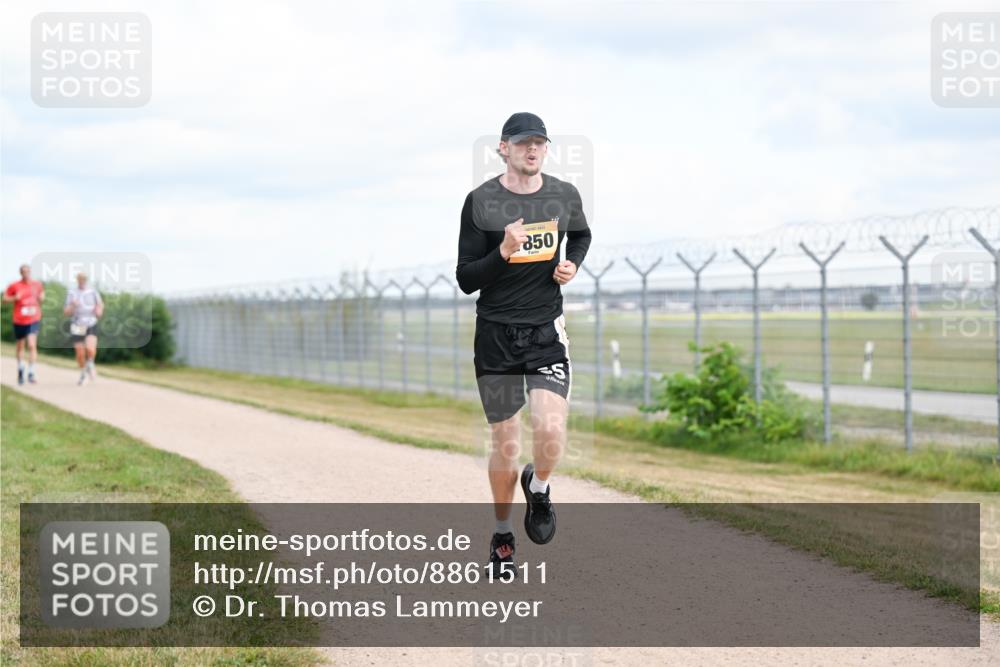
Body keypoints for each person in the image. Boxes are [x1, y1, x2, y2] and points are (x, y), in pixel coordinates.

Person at [456, 112, 591, 578]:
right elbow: (465, 278)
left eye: (539, 143)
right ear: (503, 148)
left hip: (544, 332)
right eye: (523, 143)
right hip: (495, 335)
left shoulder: (563, 195)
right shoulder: (480, 202)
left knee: (551, 432)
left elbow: (582, 234)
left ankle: (541, 484)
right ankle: (502, 534)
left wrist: (571, 264)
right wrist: (503, 253)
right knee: (506, 444)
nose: (532, 150)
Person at [4, 264, 45, 385]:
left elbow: (42, 296)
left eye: (27, 271)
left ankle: (31, 372)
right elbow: (5, 299)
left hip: (33, 319)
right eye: (23, 271)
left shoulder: (37, 285)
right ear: (20, 273)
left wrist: (41, 298)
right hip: (19, 319)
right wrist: (14, 298)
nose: (26, 273)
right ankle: (21, 369)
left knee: (32, 345)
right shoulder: (14, 285)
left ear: (30, 272)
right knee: (20, 346)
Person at [63, 273, 104, 385]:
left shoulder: (93, 292)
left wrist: (99, 311)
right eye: (80, 279)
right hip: (77, 324)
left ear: (86, 280)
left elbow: (100, 305)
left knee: (90, 349)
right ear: (77, 280)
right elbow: (66, 312)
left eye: (84, 279)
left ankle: (90, 363)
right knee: (80, 353)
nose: (82, 281)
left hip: (91, 323)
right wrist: (72, 305)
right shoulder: (72, 293)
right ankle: (83, 373)